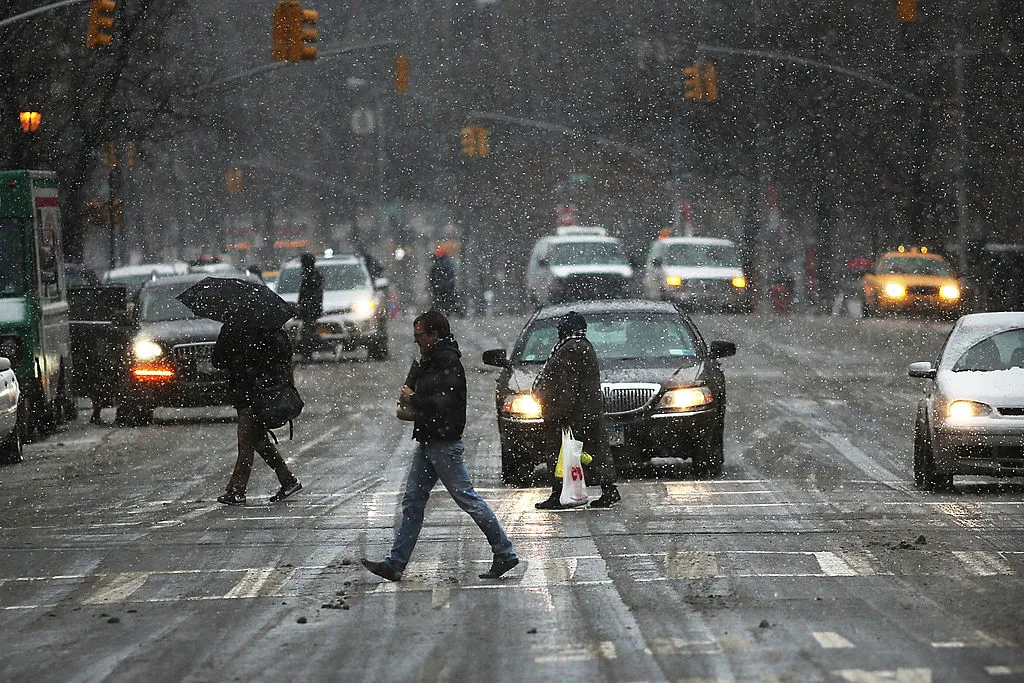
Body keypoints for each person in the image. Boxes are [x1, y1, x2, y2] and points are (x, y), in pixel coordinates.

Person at [362, 309, 519, 581]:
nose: (416, 340)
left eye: (420, 335)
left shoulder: (446, 361)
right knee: (413, 501)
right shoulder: (433, 359)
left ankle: (504, 552)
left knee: (467, 498)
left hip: (443, 442)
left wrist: (414, 396)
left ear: (435, 334)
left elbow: (443, 402)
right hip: (429, 440)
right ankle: (395, 563)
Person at [532, 311, 621, 509]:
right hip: (586, 411)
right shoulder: (583, 346)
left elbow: (565, 386)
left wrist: (559, 413)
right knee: (592, 451)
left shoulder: (569, 349)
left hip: (571, 414)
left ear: (565, 330)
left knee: (561, 455)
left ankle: (559, 494)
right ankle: (608, 490)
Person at [212, 322, 302, 506]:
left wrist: (233, 351)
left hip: (249, 394)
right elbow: (284, 357)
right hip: (263, 391)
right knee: (258, 441)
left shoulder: (233, 328)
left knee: (246, 441)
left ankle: (238, 490)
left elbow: (218, 360)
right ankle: (288, 480)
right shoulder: (269, 327)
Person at [296, 252, 324, 360]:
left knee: (308, 333)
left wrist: (305, 307)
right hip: (310, 310)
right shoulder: (311, 275)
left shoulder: (311, 276)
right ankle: (308, 353)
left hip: (310, 310)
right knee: (308, 333)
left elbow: (309, 294)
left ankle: (308, 354)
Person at [428, 247, 458, 315]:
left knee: (443, 302)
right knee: (444, 302)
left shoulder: (443, 263)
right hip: (444, 287)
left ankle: (444, 313)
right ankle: (445, 313)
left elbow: (438, 274)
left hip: (442, 288)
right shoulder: (445, 262)